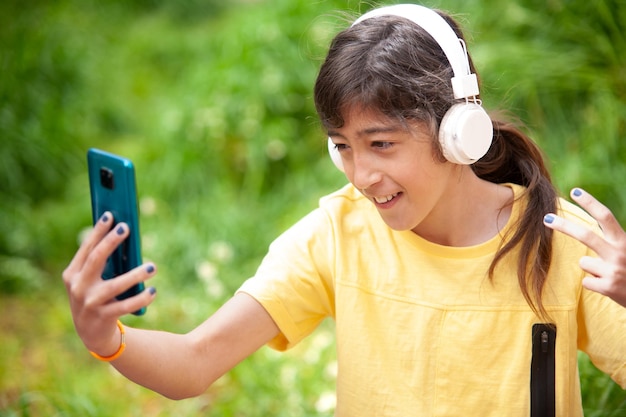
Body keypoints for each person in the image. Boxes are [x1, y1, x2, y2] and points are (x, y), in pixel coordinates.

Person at [62, 4, 626, 416]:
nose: (361, 175)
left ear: (461, 133)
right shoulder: (337, 234)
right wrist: (105, 337)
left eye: (381, 144)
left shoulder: (561, 242)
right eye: (343, 146)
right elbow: (193, 363)